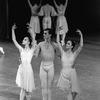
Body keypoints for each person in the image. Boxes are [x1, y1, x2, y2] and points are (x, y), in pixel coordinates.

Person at [56, 28, 83, 100]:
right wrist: (58, 32)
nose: (66, 44)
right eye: (66, 43)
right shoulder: (63, 53)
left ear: (71, 46)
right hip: (64, 73)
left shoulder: (74, 54)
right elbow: (58, 42)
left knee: (75, 91)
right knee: (68, 92)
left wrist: (81, 35)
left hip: (72, 74)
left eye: (68, 44)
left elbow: (81, 46)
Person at [12, 23, 36, 100]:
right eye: (23, 39)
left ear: (29, 42)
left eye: (25, 39)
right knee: (22, 89)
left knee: (27, 90)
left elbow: (34, 40)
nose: (23, 40)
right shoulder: (21, 50)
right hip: (22, 70)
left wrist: (31, 31)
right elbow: (14, 40)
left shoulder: (32, 50)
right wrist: (12, 30)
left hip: (28, 70)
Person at [34, 28, 57, 100]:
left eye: (45, 33)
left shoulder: (54, 45)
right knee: (43, 86)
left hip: (51, 66)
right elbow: (36, 55)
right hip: (43, 66)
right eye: (43, 33)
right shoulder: (40, 44)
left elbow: (61, 54)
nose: (44, 34)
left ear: (50, 35)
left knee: (50, 86)